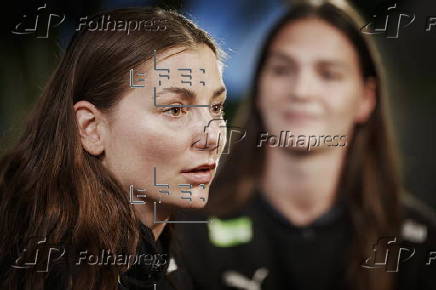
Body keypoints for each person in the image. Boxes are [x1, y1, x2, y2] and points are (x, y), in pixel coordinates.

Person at [172, 1, 436, 290]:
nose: (301, 90)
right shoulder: (188, 225)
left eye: (328, 74)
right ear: (258, 89)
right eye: (282, 70)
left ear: (366, 98)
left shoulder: (416, 238)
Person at [0, 7, 227, 290]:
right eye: (175, 109)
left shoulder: (170, 257)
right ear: (91, 128)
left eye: (216, 108)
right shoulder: (54, 272)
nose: (212, 136)